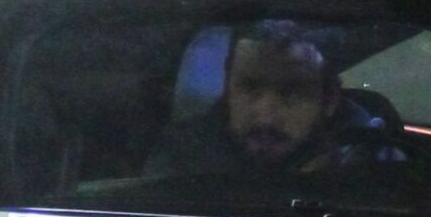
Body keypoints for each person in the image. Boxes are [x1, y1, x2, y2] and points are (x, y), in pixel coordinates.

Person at [148, 20, 409, 190]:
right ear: (228, 88)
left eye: (292, 93)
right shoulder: (179, 160)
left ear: (329, 100)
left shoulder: (374, 161)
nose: (265, 116)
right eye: (250, 88)